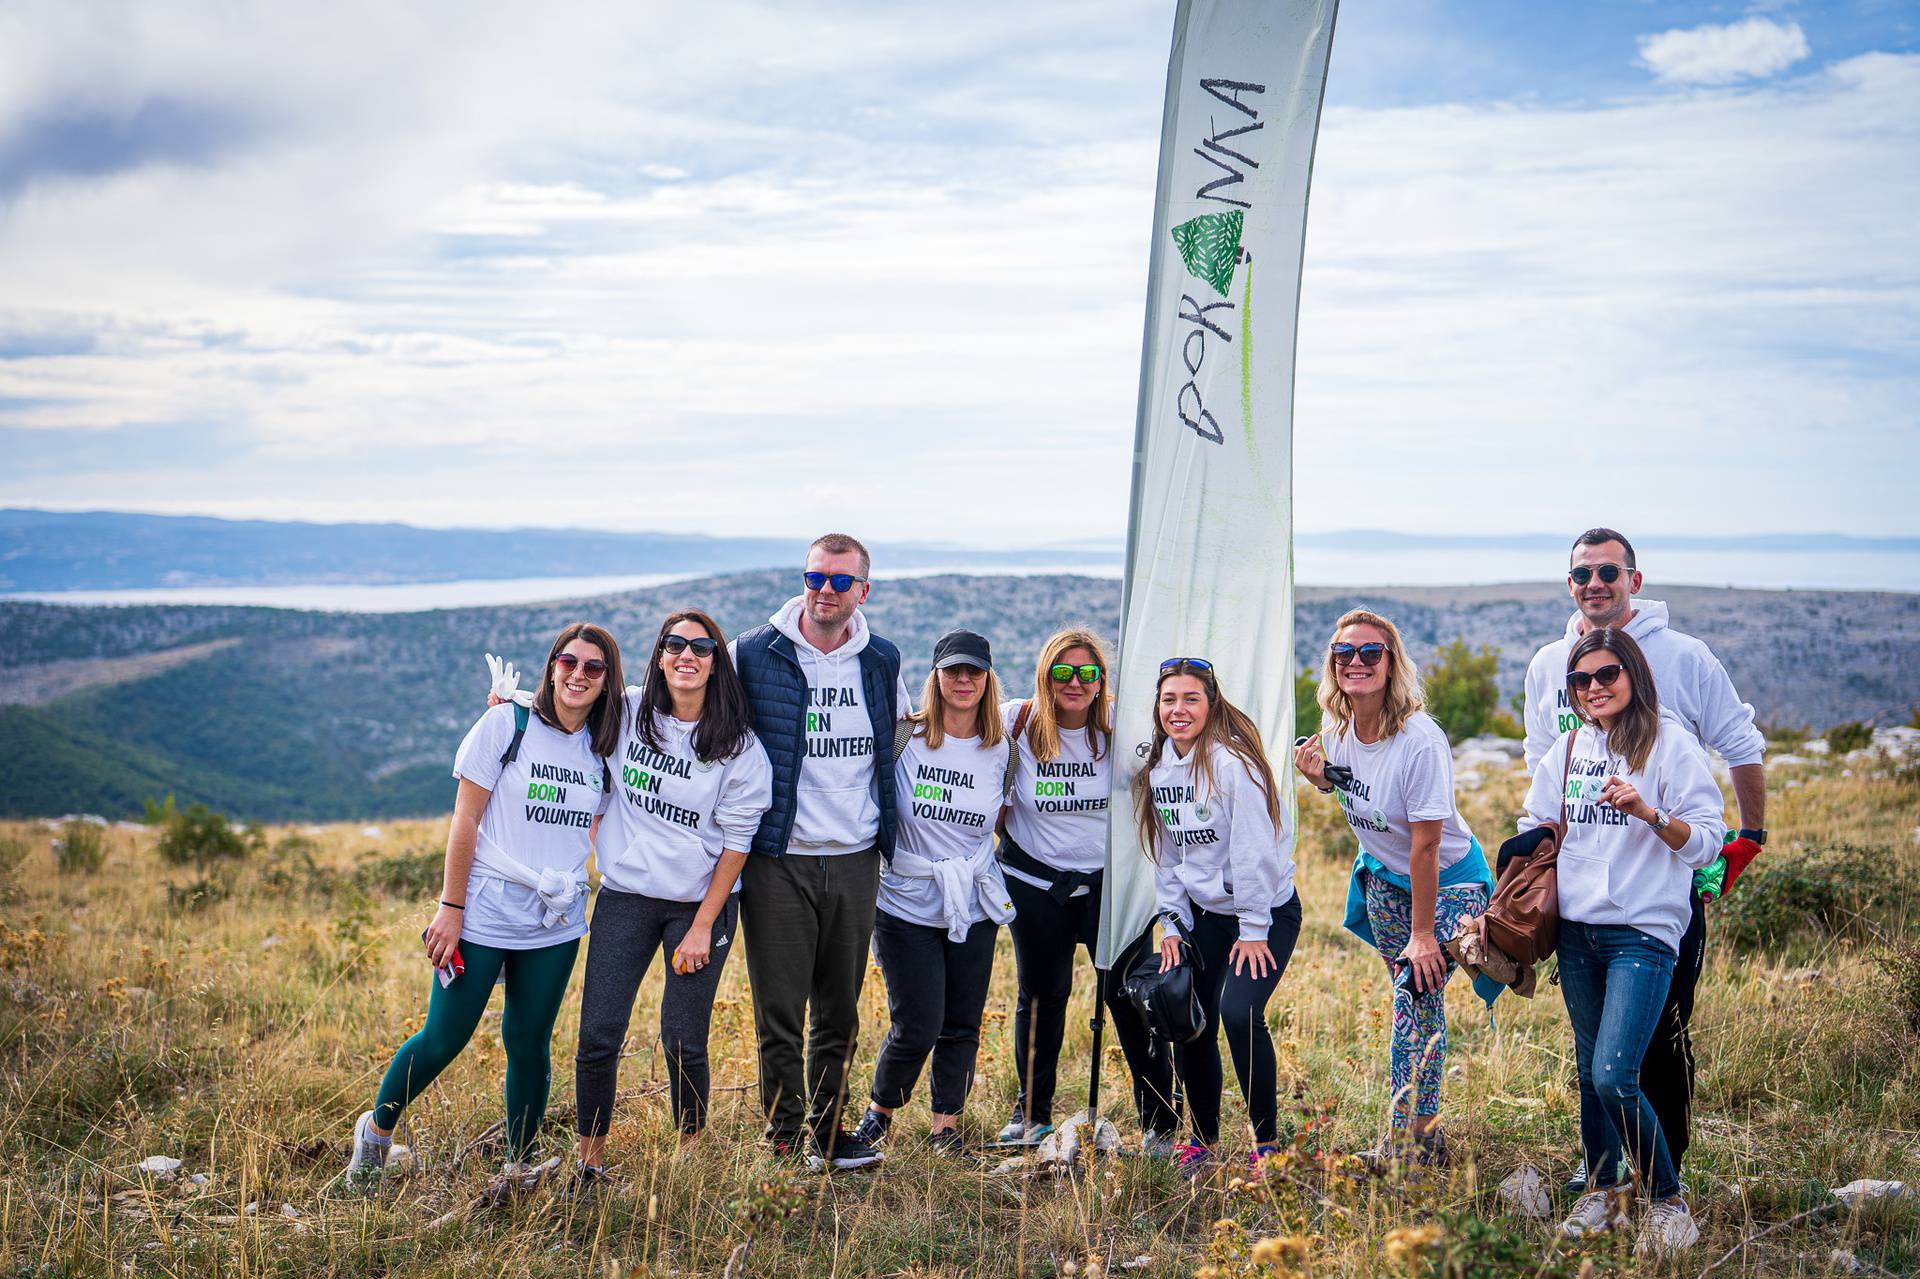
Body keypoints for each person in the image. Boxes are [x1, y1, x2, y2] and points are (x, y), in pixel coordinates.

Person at [1523, 528, 1766, 1189]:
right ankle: (1603, 1173)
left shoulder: (1684, 661)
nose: (1595, 583)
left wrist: (1750, 839)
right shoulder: (1549, 665)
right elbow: (1542, 772)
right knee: (1594, 1055)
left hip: (1658, 896)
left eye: (1608, 571)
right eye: (1582, 574)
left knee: (1655, 1036)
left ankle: (1664, 1172)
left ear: (1635, 577)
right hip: (1580, 909)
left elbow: (1740, 744)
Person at [344, 623, 623, 1193]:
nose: (577, 674)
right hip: (485, 909)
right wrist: (452, 906)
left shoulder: (605, 744)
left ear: (607, 680)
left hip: (556, 918)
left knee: (529, 1040)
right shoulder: (505, 725)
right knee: (444, 1037)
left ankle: (517, 1166)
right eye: (568, 661)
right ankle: (373, 1139)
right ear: (551, 666)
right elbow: (465, 821)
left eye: (593, 668)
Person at [1526, 628, 1724, 1256]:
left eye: (1607, 674)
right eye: (1581, 680)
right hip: (1578, 932)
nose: (1594, 688)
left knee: (1616, 1073)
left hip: (1643, 930)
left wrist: (1648, 813)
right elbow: (1536, 821)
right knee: (1589, 1071)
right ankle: (1604, 1190)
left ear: (1634, 674)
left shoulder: (1670, 744)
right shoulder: (1569, 746)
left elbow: (1707, 843)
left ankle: (1666, 1197)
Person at [567, 610, 772, 1191]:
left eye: (701, 647)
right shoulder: (629, 711)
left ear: (716, 661)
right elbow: (564, 713)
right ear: (658, 656)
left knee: (682, 1035)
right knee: (599, 1032)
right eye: (674, 645)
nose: (687, 655)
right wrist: (505, 710)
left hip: (698, 907)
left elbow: (738, 845)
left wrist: (704, 925)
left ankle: (690, 1150)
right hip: (626, 897)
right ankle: (591, 1159)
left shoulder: (739, 747)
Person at [732, 533, 910, 1171]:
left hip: (857, 857)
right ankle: (784, 1138)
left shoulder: (881, 659)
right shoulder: (753, 653)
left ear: (864, 589)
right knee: (778, 1008)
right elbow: (683, 704)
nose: (824, 591)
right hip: (779, 858)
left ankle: (830, 1134)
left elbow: (906, 734)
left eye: (839, 581)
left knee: (838, 1008)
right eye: (815, 577)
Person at [1293, 610, 1493, 1167]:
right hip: (1384, 883)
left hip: (1448, 882)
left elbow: (1427, 846)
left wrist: (1425, 934)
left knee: (1413, 998)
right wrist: (1318, 779)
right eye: (1343, 653)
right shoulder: (1336, 733)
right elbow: (1366, 802)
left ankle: (1407, 1142)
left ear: (1391, 663)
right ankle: (1424, 1136)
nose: (1355, 662)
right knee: (1419, 1007)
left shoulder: (1421, 741)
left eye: (1370, 653)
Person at [993, 628, 1178, 1152]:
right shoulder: (1017, 720)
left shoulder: (1124, 726)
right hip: (1036, 882)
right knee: (1042, 995)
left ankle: (1159, 1122)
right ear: (1045, 677)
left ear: (1102, 682)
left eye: (1088, 673)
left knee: (1130, 996)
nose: (1075, 682)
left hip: (1111, 887)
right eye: (1063, 672)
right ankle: (1031, 1113)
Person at [1131, 658, 1300, 1177]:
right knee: (1188, 1018)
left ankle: (1264, 1146)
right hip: (1203, 916)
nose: (1178, 710)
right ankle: (1203, 1142)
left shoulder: (1233, 766)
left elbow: (1256, 854)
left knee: (1239, 1015)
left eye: (1191, 699)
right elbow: (1169, 859)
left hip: (1264, 913)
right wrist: (1173, 927)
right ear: (1158, 708)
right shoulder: (1160, 771)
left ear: (1211, 705)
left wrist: (1252, 929)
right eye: (1169, 700)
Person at [851, 629, 1017, 1155]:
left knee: (962, 1020)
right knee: (917, 1020)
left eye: (974, 671)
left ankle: (946, 1126)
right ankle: (879, 1112)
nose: (963, 680)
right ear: (936, 677)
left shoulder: (1001, 749)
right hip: (904, 899)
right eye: (953, 671)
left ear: (987, 678)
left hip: (971, 900)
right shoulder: (906, 737)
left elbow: (1007, 819)